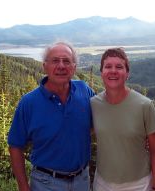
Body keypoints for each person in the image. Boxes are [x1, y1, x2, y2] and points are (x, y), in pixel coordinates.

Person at [8, 41, 95, 191]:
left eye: (66, 61)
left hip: (82, 180)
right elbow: (15, 146)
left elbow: (103, 121)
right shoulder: (29, 103)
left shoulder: (84, 91)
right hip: (45, 183)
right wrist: (23, 186)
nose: (61, 66)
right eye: (55, 60)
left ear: (73, 67)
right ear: (45, 66)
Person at [91, 48, 155, 191]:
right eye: (108, 66)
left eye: (119, 67)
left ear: (127, 73)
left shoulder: (145, 105)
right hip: (102, 183)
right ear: (102, 73)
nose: (113, 71)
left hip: (139, 184)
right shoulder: (94, 104)